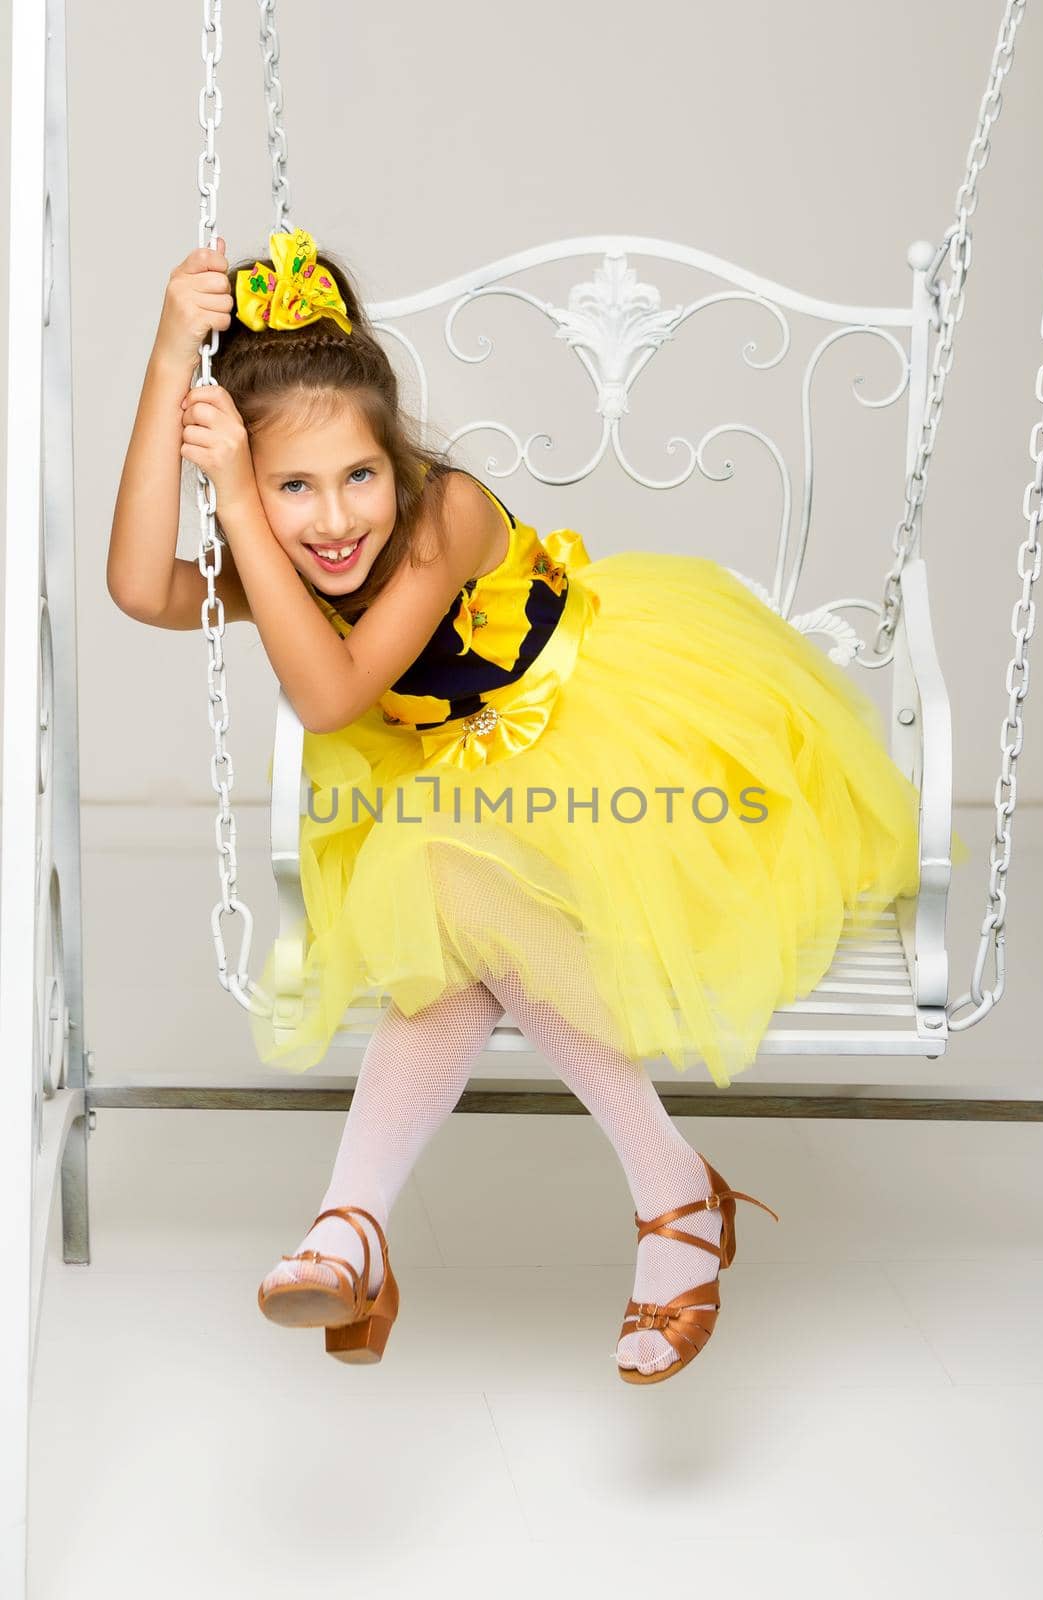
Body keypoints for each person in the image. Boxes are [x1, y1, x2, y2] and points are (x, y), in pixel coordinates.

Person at [109, 226, 965, 1383]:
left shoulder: (439, 514)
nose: (333, 518)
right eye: (291, 488)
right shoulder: (297, 558)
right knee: (449, 915)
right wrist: (171, 361)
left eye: (356, 472)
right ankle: (393, 1227)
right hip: (460, 801)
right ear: (256, 491)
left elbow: (332, 698)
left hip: (621, 764)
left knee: (449, 884)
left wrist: (242, 507)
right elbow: (135, 587)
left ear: (393, 454)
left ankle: (521, 1207)